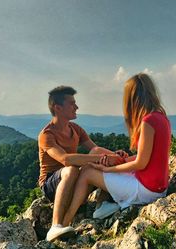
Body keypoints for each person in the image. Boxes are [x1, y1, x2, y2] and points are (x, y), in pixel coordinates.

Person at [62, 73, 171, 229]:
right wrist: (121, 160)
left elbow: (141, 163)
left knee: (87, 172)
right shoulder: (160, 117)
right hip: (156, 185)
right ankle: (103, 205)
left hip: (147, 190)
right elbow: (148, 156)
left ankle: (65, 222)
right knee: (99, 153)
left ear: (132, 98)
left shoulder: (148, 121)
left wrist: (109, 169)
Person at [38, 86, 124, 242]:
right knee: (71, 169)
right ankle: (55, 226)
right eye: (72, 104)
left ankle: (102, 204)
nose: (76, 107)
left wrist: (115, 156)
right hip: (52, 184)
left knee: (97, 154)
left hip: (74, 177)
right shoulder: (47, 135)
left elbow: (95, 150)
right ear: (57, 108)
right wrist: (99, 158)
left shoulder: (75, 129)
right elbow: (65, 159)